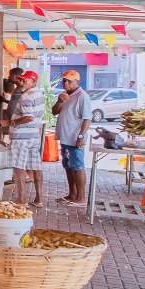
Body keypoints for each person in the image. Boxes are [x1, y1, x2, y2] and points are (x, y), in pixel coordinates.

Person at [5, 69, 45, 206]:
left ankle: (21, 199)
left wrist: (11, 122)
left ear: (34, 81)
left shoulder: (26, 96)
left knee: (19, 167)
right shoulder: (39, 94)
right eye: (21, 80)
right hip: (34, 136)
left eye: (25, 80)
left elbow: (28, 117)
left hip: (21, 137)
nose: (22, 82)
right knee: (36, 167)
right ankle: (39, 199)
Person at [52, 70, 92, 205]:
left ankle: (81, 198)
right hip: (65, 137)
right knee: (68, 166)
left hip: (75, 138)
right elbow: (54, 112)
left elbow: (87, 118)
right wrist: (59, 101)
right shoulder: (65, 96)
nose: (66, 83)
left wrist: (80, 136)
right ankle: (72, 194)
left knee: (78, 166)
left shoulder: (82, 96)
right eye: (64, 80)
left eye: (70, 81)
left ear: (77, 82)